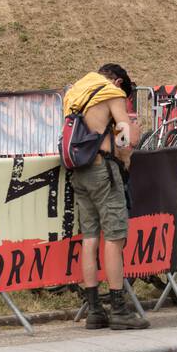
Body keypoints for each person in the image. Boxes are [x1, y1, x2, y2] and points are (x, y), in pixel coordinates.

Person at [65, 64, 148, 331]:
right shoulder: (111, 92)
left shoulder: (78, 90)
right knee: (114, 238)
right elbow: (125, 137)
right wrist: (126, 157)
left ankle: (94, 311)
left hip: (79, 171)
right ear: (118, 81)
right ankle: (119, 310)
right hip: (103, 170)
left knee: (89, 238)